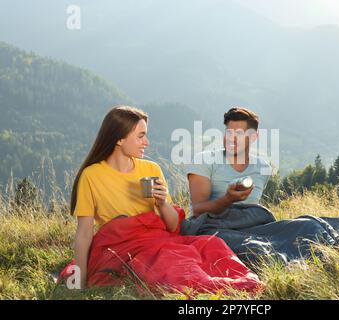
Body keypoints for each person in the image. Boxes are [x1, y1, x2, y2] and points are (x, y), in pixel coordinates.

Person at [66, 106, 262, 293]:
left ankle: (235, 282)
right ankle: (219, 287)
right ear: (119, 140)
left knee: (211, 244)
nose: (147, 142)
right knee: (172, 263)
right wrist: (80, 279)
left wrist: (162, 203)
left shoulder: (151, 169)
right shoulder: (92, 176)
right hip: (123, 245)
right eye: (141, 136)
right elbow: (84, 233)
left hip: (159, 238)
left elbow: (173, 225)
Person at [182, 107, 339, 265]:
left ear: (253, 137)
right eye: (228, 132)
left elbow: (255, 208)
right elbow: (199, 209)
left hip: (255, 223)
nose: (231, 138)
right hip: (214, 228)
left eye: (238, 134)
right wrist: (227, 200)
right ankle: (304, 264)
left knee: (308, 226)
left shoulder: (261, 166)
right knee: (256, 247)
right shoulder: (204, 160)